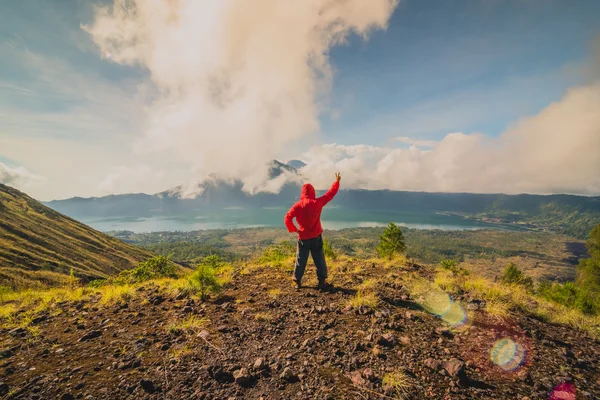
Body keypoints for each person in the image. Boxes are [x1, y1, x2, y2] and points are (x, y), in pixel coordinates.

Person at [284, 172, 341, 291]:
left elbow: (287, 218)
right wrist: (337, 182)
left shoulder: (297, 206)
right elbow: (330, 194)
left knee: (301, 259)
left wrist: (295, 230)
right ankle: (321, 282)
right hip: (316, 236)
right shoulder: (318, 203)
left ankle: (297, 281)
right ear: (313, 192)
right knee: (319, 258)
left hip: (303, 237)